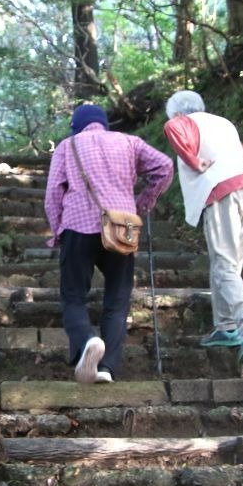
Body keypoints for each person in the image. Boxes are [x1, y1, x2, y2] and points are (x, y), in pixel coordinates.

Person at [44, 104, 174, 383]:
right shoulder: (130, 142)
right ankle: (107, 368)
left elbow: (53, 192)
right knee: (117, 299)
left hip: (78, 226)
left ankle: (86, 343)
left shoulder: (68, 146)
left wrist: (58, 231)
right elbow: (164, 166)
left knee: (74, 295)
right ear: (104, 124)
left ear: (77, 126)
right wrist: (143, 204)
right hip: (121, 226)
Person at [163, 90, 243, 365]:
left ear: (178, 112)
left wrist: (193, 160)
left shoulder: (183, 120)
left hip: (224, 190)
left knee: (224, 263)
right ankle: (226, 327)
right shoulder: (222, 122)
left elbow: (172, 126)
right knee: (228, 264)